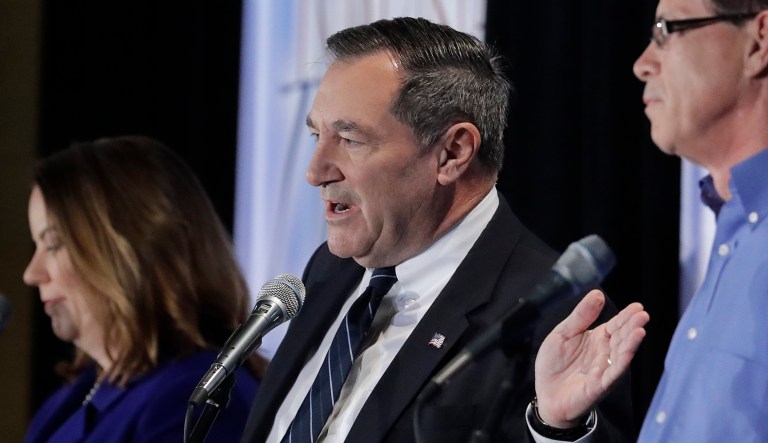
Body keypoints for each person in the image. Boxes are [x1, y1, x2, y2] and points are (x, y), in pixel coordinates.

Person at [241, 17, 641, 443]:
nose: (314, 171)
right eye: (317, 134)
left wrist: (556, 431)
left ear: (452, 152)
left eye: (350, 140)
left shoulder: (552, 313)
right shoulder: (329, 269)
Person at [532, 0, 768, 441]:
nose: (642, 64)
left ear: (758, 41)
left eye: (666, 29)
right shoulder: (735, 235)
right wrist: (560, 426)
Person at [23, 136, 264, 442]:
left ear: (130, 248)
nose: (32, 274)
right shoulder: (71, 398)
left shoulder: (195, 402)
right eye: (37, 245)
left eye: (54, 244)